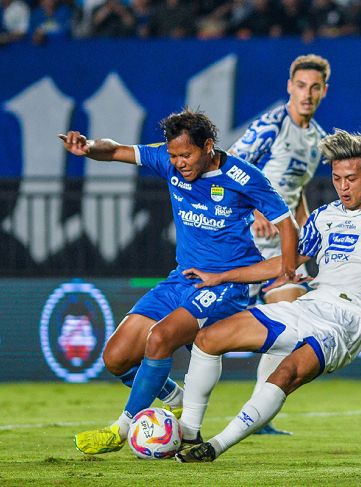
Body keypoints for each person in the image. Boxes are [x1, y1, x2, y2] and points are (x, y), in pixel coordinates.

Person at [174, 128, 361, 462]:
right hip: (308, 305)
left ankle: (216, 446)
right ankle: (190, 432)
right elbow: (286, 264)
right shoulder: (323, 217)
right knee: (208, 338)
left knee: (285, 374)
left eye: (351, 178)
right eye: (337, 179)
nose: (344, 187)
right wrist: (220, 276)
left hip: (347, 321)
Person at [61, 109, 298, 455]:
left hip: (225, 286)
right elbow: (114, 150)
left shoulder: (244, 177)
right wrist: (88, 146)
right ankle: (174, 396)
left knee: (160, 338)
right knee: (116, 358)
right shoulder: (169, 160)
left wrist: (287, 267)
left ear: (208, 146)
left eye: (186, 155)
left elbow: (286, 223)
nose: (179, 163)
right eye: (173, 155)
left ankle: (122, 428)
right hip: (182, 278)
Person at [222, 53, 329, 435]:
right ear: (290, 87)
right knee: (201, 323)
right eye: (301, 86)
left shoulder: (317, 140)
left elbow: (297, 192)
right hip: (242, 240)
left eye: (315, 87)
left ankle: (259, 413)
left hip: (279, 247)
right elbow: (227, 167)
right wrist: (256, 210)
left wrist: (305, 233)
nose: (307, 94)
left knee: (293, 322)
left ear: (323, 91)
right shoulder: (270, 126)